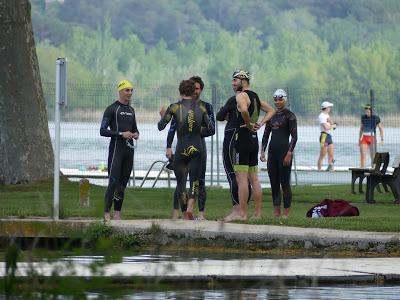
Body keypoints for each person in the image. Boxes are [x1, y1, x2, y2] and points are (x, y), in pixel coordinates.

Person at [217, 81, 274, 221]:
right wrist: (259, 124)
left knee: (241, 179)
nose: (233, 83)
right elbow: (272, 110)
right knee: (254, 179)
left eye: (236, 80)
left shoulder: (241, 96)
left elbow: (243, 110)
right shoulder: (256, 97)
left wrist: (248, 124)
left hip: (241, 138)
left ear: (244, 80)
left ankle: (242, 213)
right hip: (253, 139)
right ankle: (258, 214)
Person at [158, 79, 214, 220]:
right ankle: (190, 208)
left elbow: (161, 126)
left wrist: (163, 116)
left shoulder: (175, 107)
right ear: (192, 91)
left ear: (181, 91)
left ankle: (184, 214)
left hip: (182, 149)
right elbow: (211, 128)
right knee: (195, 181)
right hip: (197, 148)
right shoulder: (201, 108)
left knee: (181, 183)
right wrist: (197, 128)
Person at [100, 79, 139, 221]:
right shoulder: (112, 109)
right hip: (116, 150)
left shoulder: (131, 110)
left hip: (129, 152)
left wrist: (135, 135)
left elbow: (135, 130)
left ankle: (117, 213)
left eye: (131, 90)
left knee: (122, 184)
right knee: (113, 182)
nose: (129, 93)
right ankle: (106, 212)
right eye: (127, 90)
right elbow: (102, 131)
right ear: (120, 91)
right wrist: (120, 134)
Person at [260, 89, 297, 218]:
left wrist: (289, 152)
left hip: (284, 152)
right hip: (272, 153)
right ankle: (276, 211)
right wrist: (262, 151)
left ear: (285, 100)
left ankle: (286, 212)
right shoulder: (271, 115)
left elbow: (294, 137)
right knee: (274, 182)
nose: (277, 102)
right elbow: (265, 135)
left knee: (285, 183)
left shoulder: (290, 116)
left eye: (280, 99)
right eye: (275, 99)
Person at [359, 104, 384, 168]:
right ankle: (362, 170)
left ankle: (373, 169)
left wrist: (382, 139)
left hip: (372, 138)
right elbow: (361, 128)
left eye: (368, 111)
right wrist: (359, 138)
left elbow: (380, 128)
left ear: (371, 111)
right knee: (362, 156)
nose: (366, 113)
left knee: (373, 156)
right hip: (364, 138)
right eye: (365, 111)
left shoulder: (376, 118)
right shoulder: (363, 117)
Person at [317, 101, 337, 171]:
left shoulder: (327, 115)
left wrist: (333, 124)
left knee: (331, 154)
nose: (330, 109)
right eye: (329, 107)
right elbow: (326, 127)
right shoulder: (321, 116)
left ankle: (331, 168)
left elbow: (331, 122)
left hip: (328, 136)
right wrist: (333, 125)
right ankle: (319, 169)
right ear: (326, 108)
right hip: (324, 136)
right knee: (323, 154)